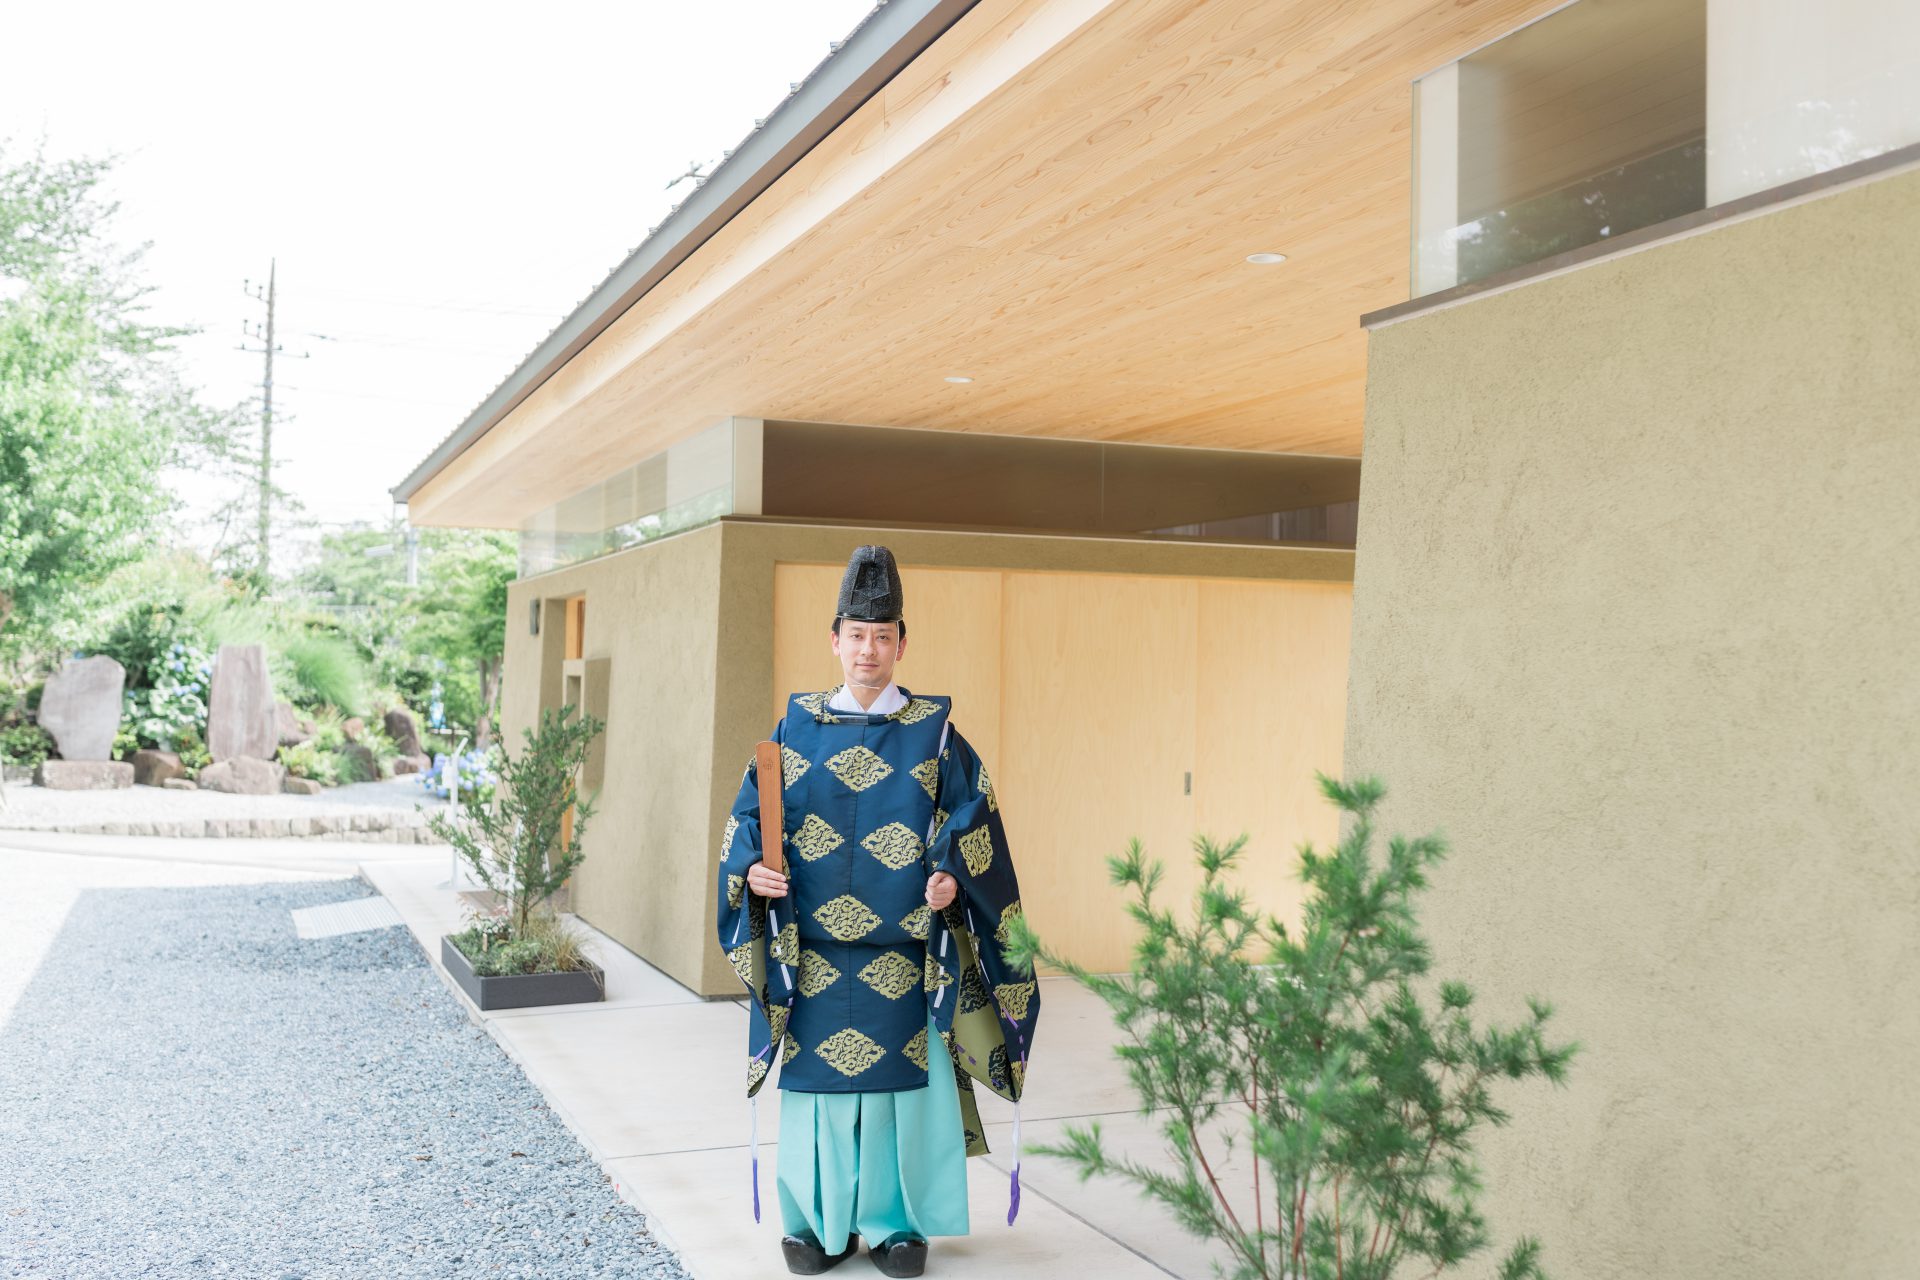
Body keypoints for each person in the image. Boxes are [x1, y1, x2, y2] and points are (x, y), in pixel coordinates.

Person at [715, 544, 1040, 1277]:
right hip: (816, 958)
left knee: (902, 1098)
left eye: (882, 635)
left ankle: (899, 1227)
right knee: (818, 1097)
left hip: (905, 956)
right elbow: (746, 827)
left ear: (900, 643)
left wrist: (953, 881)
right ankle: (816, 1227)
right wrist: (754, 872)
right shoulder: (791, 730)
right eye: (856, 636)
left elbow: (974, 825)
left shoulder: (938, 733)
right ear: (834, 639)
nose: (868, 650)